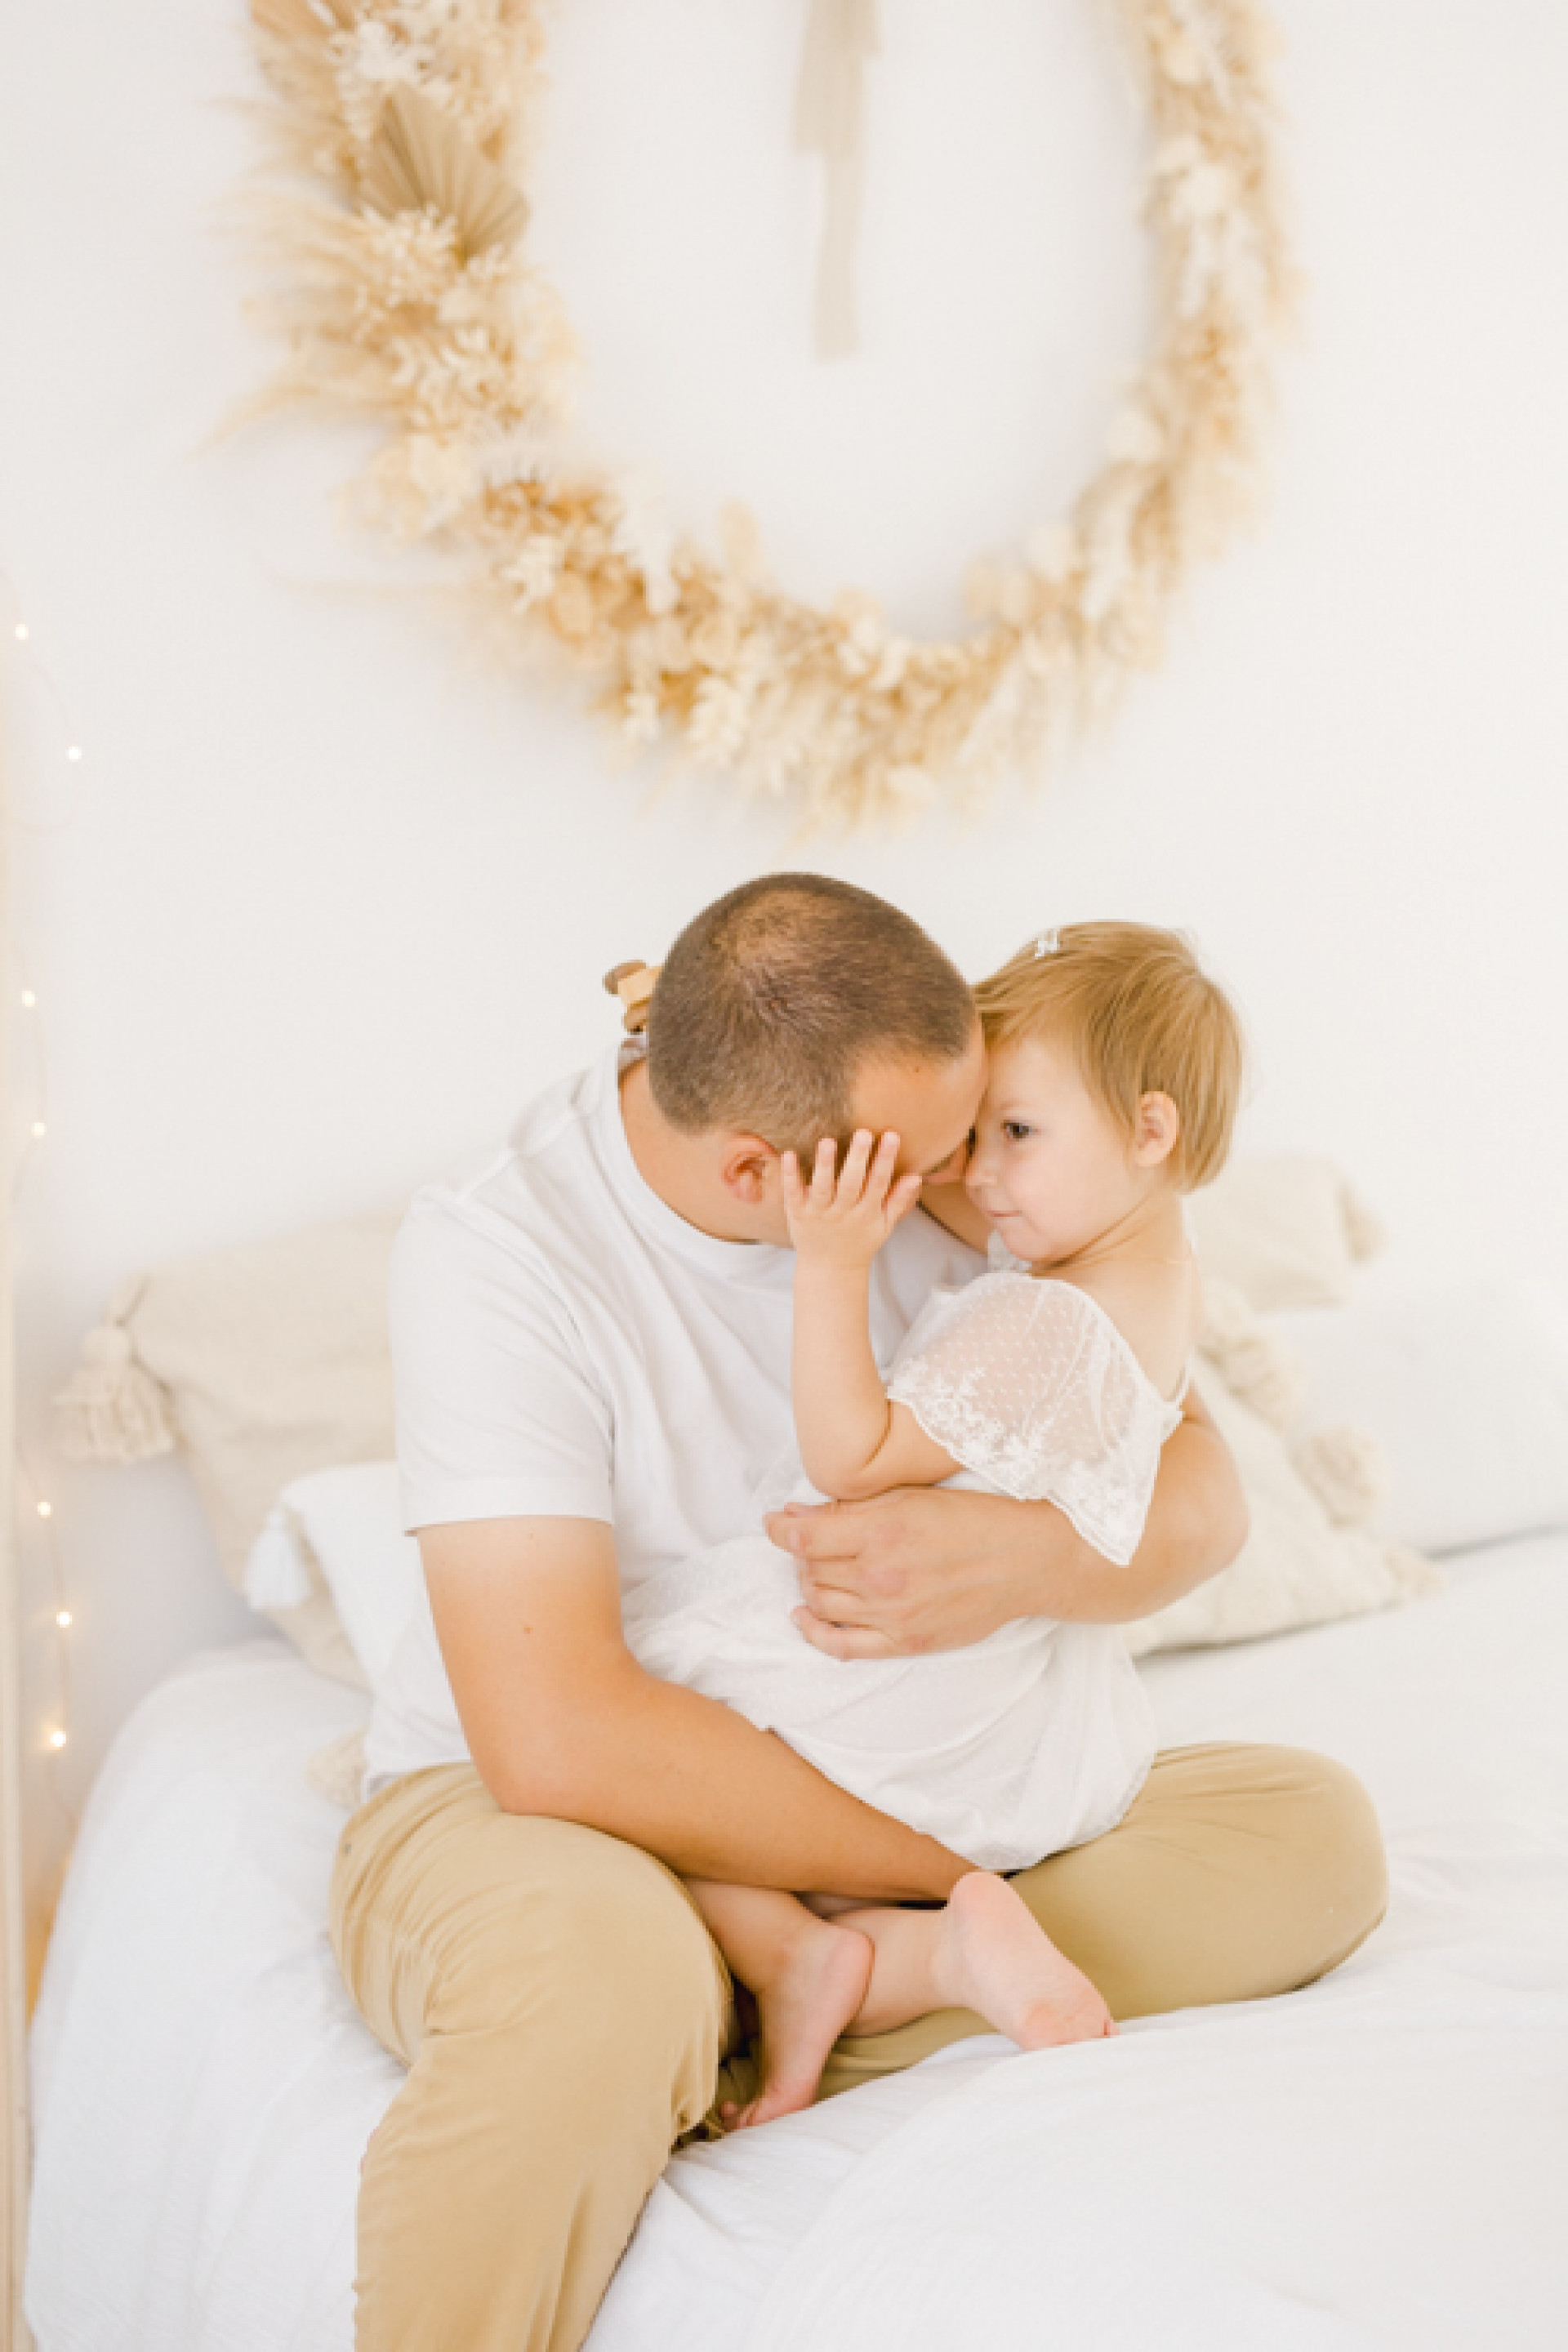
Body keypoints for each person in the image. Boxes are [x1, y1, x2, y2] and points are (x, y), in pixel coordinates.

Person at [327, 875, 1388, 2352]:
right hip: (553, 1798)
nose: (972, 1183)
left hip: (887, 1750)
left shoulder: (964, 1145)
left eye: (987, 1135)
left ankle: (777, 1984)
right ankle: (802, 1976)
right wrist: (950, 1881)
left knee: (1310, 1837)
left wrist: (1022, 1565)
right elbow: (557, 1737)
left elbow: (1202, 1488)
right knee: (588, 1991)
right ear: (774, 1178)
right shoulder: (499, 1255)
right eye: (938, 1160)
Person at [630, 921, 1237, 2127]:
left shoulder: (1046, 1322)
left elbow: (853, 1460)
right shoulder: (1158, 1280)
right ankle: (860, 1959)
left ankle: (815, 1956)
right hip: (1030, 1711)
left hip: (931, 1684)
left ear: (1149, 1130)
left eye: (1015, 1133)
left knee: (650, 1724)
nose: (977, 1174)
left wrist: (832, 1264)